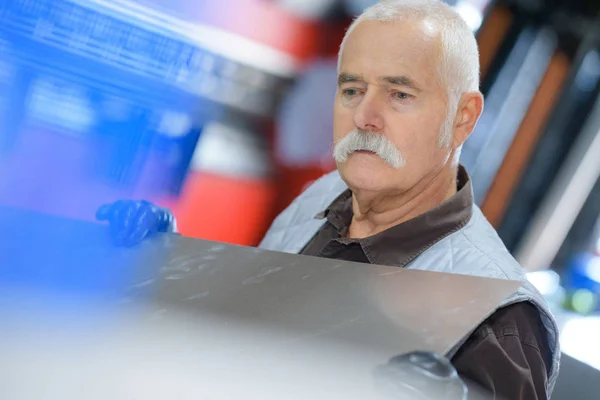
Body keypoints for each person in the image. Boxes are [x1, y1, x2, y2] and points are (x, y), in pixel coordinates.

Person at [96, 1, 560, 398]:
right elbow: (247, 340)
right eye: (353, 89)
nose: (365, 116)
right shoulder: (317, 202)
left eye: (399, 94)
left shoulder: (503, 319)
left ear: (463, 117)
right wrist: (169, 264)